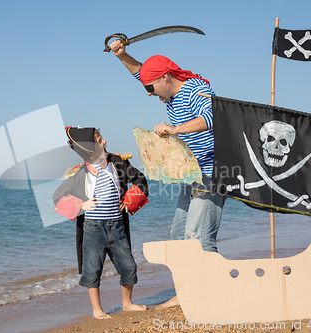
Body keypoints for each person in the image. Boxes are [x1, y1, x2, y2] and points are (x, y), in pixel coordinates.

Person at [109, 40, 225, 309]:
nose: (149, 93)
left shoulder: (197, 89)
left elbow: (213, 117)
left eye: (151, 87)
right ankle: (187, 290)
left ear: (165, 78)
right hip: (191, 174)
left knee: (199, 236)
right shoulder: (168, 91)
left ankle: (205, 294)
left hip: (212, 172)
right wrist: (121, 54)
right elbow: (141, 72)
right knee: (178, 235)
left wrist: (175, 130)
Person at [53, 127, 149, 319]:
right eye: (99, 140)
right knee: (92, 269)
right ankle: (97, 310)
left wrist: (128, 201)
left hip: (117, 226)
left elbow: (140, 179)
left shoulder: (118, 163)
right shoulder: (80, 173)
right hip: (93, 228)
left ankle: (127, 303)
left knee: (128, 266)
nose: (104, 142)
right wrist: (82, 205)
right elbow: (58, 196)